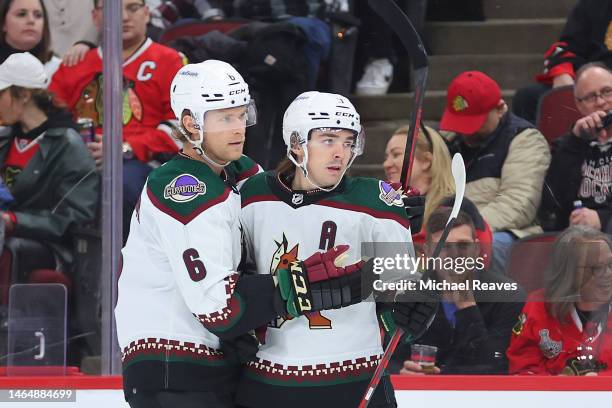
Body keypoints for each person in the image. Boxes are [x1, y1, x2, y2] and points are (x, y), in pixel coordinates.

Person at [115, 62, 366, 408]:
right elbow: (221, 308)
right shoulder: (181, 187)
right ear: (191, 124)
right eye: (224, 118)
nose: (238, 128)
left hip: (216, 366)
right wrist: (305, 283)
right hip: (172, 370)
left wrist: (383, 203)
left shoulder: (240, 172)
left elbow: (295, 199)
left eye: (241, 115)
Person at [237, 91, 419, 408]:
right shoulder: (251, 195)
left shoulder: (376, 201)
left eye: (349, 142)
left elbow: (402, 292)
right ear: (296, 144)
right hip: (269, 378)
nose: (341, 153)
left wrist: (408, 311)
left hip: (354, 376)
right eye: (328, 140)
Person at [48, 0, 185, 239]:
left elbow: (181, 128)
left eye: (132, 8)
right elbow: (47, 121)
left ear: (146, 13)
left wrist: (124, 147)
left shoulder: (170, 61)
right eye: (112, 9)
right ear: (96, 17)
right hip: (79, 162)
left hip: (143, 164)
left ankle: (128, 266)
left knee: (122, 184)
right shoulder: (74, 65)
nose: (123, 17)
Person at [0, 52, 98, 304]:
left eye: (2, 94)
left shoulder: (68, 145)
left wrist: (14, 220)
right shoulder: (4, 139)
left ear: (23, 95)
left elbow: (75, 217)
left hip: (45, 245)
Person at [441, 71, 551, 274]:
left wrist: (461, 232)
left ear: (500, 109)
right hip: (446, 231)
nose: (466, 132)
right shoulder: (446, 140)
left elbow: (517, 204)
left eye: (475, 123)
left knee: (474, 251)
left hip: (501, 232)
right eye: (460, 123)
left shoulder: (525, 140)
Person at [393, 205, 524, 375]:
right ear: (428, 252)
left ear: (476, 249)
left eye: (463, 245)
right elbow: (387, 362)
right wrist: (402, 373)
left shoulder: (508, 296)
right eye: (444, 247)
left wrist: (466, 304)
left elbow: (494, 368)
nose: (455, 255)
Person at [507, 225, 612, 375]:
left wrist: (600, 384)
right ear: (568, 272)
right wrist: (557, 385)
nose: (608, 274)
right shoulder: (539, 306)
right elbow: (522, 369)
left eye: (610, 265)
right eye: (595, 268)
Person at [513, 0, 612, 125]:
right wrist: (563, 73)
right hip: (590, 84)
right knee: (528, 97)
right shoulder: (593, 4)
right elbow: (568, 47)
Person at [540, 63, 612, 232]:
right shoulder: (567, 145)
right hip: (576, 237)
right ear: (579, 105)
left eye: (607, 92)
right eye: (590, 97)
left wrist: (602, 218)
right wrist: (575, 142)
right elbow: (550, 204)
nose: (601, 102)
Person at [0, 0, 61, 79]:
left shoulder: (58, 68)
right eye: (21, 14)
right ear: (3, 23)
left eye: (38, 15)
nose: (31, 20)